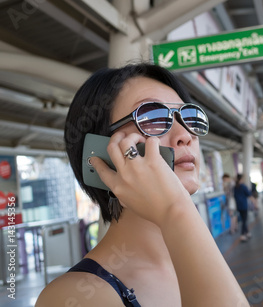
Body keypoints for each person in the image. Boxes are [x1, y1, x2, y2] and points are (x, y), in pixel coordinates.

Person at [36, 63, 248, 306]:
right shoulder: (72, 296)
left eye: (190, 117)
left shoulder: (195, 256)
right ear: (100, 153)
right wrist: (174, 209)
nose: (186, 135)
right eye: (152, 118)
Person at [233, 174, 252, 242]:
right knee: (244, 220)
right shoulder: (243, 186)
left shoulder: (235, 187)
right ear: (241, 179)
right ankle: (242, 235)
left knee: (244, 219)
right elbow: (249, 195)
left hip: (238, 206)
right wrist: (255, 203)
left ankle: (247, 233)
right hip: (244, 205)